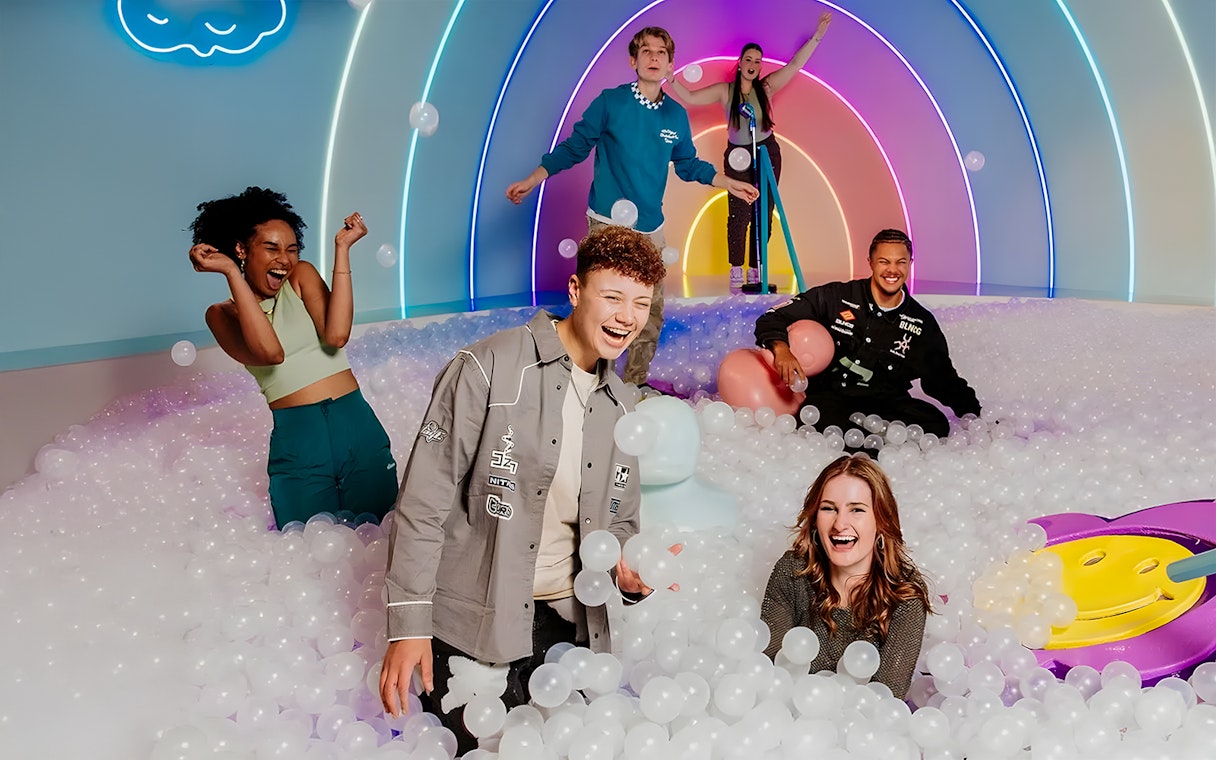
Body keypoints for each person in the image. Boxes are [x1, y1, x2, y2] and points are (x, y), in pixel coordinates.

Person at [378, 226, 665, 754]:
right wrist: (407, 626)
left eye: (641, 303)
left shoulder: (622, 408)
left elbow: (620, 520)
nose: (628, 316)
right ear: (576, 291)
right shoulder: (486, 368)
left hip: (566, 623)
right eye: (614, 296)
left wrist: (629, 572)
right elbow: (423, 503)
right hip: (472, 623)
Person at [506, 26, 758, 385]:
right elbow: (575, 147)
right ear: (633, 60)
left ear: (671, 63)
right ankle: (587, 381)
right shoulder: (610, 102)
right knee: (599, 310)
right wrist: (534, 178)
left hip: (650, 230)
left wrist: (728, 182)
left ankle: (633, 385)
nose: (654, 58)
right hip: (606, 223)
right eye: (646, 51)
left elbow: (688, 165)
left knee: (649, 311)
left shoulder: (674, 115)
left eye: (661, 53)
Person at [188, 187, 397, 528]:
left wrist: (342, 249)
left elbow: (337, 335)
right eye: (271, 248)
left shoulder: (301, 277)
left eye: (292, 248)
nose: (284, 259)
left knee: (385, 536)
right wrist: (230, 272)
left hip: (357, 425)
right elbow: (270, 353)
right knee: (305, 548)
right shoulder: (221, 315)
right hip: (299, 444)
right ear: (242, 250)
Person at [754, 228, 981, 439]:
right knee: (816, 419)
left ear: (910, 264)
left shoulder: (922, 323)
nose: (892, 270)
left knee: (936, 424)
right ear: (870, 262)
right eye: (884, 262)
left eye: (900, 262)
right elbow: (772, 317)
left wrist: (977, 417)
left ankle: (877, 448)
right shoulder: (836, 296)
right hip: (833, 399)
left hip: (887, 404)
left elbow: (943, 380)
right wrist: (781, 349)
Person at [666, 12, 831, 290]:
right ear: (740, 63)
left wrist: (817, 37)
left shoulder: (766, 88)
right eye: (748, 59)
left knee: (763, 212)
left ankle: (756, 269)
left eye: (757, 61)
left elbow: (794, 66)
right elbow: (691, 97)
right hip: (737, 155)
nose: (753, 64)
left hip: (767, 152)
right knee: (739, 212)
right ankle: (736, 270)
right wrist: (671, 78)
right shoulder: (724, 91)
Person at [760, 454, 931, 698]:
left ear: (881, 522)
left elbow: (885, 702)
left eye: (857, 510)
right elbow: (768, 673)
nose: (840, 524)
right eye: (829, 508)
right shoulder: (792, 572)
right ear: (815, 519)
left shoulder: (904, 596)